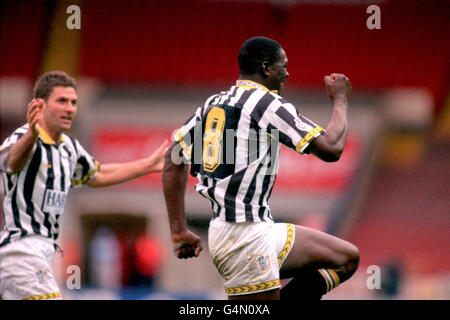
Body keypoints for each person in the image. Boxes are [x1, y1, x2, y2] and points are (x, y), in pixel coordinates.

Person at [162, 36, 359, 300]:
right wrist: (341, 100)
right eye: (283, 66)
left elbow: (172, 159)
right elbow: (331, 148)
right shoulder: (266, 104)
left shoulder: (212, 104)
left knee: (345, 258)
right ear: (266, 68)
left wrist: (178, 229)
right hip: (244, 238)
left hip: (255, 229)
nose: (287, 74)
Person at [0, 71, 169, 300]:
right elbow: (12, 161)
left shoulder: (69, 148)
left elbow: (97, 174)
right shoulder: (23, 137)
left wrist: (148, 165)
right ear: (40, 105)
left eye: (73, 102)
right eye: (62, 101)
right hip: (21, 251)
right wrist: (32, 132)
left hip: (42, 253)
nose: (69, 108)